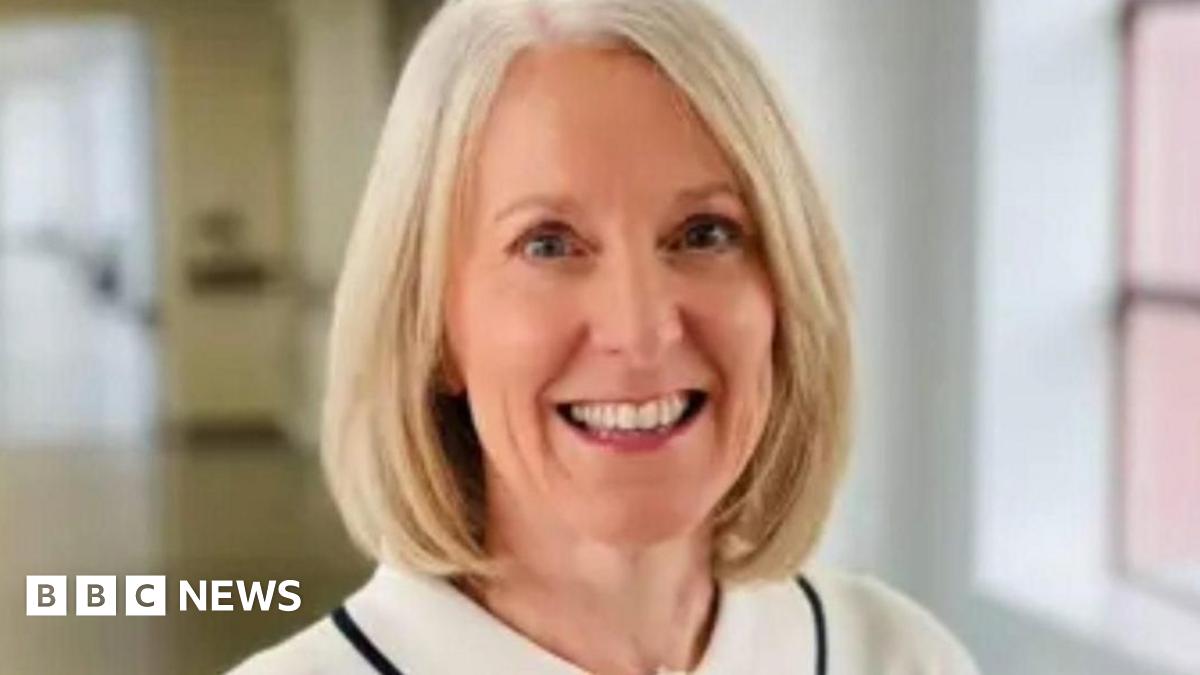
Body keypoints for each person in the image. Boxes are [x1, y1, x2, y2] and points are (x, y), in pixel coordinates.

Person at [230, 0, 981, 673]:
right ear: (435, 329)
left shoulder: (900, 657)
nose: (642, 330)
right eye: (549, 244)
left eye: (704, 233)